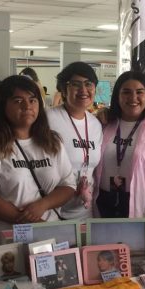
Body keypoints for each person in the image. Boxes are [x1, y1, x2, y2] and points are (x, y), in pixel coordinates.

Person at [0, 76, 76, 246]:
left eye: (32, 100)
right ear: (2, 105)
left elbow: (68, 185)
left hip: (43, 238)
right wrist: (36, 224)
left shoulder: (52, 141)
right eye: (18, 101)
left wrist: (43, 205)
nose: (27, 106)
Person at [93, 71, 145, 223]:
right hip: (102, 200)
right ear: (117, 96)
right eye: (126, 92)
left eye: (139, 92)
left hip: (135, 202)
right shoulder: (105, 123)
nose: (133, 98)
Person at [46, 62, 103, 220]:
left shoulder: (96, 124)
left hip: (85, 213)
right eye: (75, 84)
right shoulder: (48, 118)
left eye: (88, 84)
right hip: (53, 213)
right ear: (64, 90)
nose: (83, 90)